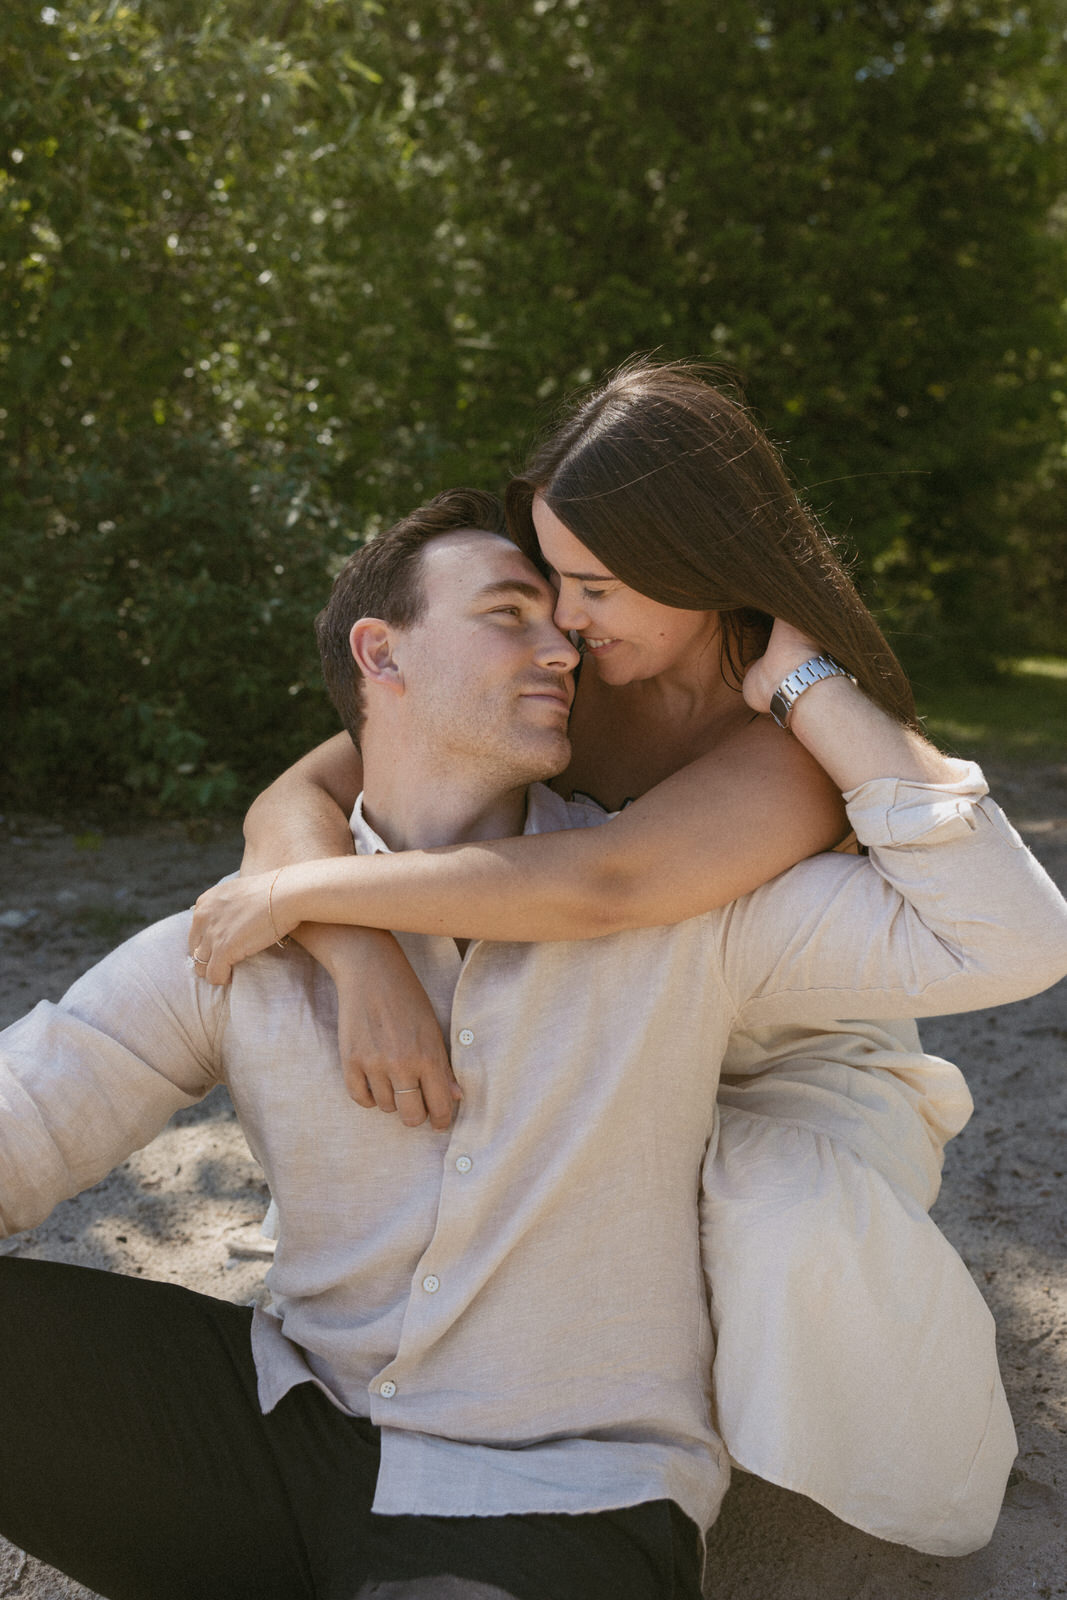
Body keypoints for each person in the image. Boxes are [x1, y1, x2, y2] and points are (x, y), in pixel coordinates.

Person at [4, 497, 1066, 1600]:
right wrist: (353, 945)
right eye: (512, 614)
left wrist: (807, 681)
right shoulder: (255, 931)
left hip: (560, 1493)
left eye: (563, 619)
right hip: (288, 1425)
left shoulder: (678, 903)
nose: (562, 644)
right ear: (382, 652)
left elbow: (1008, 933)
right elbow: (33, 1102)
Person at [204, 361, 1035, 1550]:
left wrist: (807, 681)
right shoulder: (572, 676)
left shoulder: (777, 738)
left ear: (699, 561)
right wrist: (354, 955)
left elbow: (610, 885)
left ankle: (925, 1462)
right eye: (549, 578)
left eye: (594, 584)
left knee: (768, 1212)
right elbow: (300, 789)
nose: (565, 618)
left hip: (774, 1052)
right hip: (596, 1033)